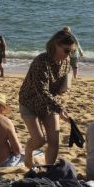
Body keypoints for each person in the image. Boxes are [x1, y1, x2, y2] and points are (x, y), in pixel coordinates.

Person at [18, 29, 76, 169]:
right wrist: (59, 108)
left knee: (54, 140)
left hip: (50, 104)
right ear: (55, 45)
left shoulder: (66, 61)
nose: (69, 54)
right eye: (67, 50)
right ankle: (28, 152)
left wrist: (64, 88)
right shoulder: (41, 61)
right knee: (39, 140)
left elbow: (57, 85)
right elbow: (41, 90)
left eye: (72, 51)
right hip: (29, 102)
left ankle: (48, 169)